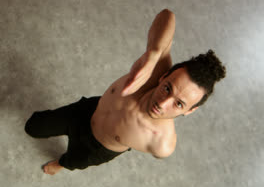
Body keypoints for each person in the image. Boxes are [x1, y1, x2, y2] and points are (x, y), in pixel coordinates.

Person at [25, 9, 226, 175]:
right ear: (163, 76)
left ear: (189, 111)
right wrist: (153, 54)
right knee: (33, 127)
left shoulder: (161, 143)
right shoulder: (154, 71)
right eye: (167, 88)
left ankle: (61, 165)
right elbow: (167, 16)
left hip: (97, 149)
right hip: (84, 112)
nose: (163, 104)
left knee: (72, 161)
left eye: (179, 103)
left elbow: (161, 148)